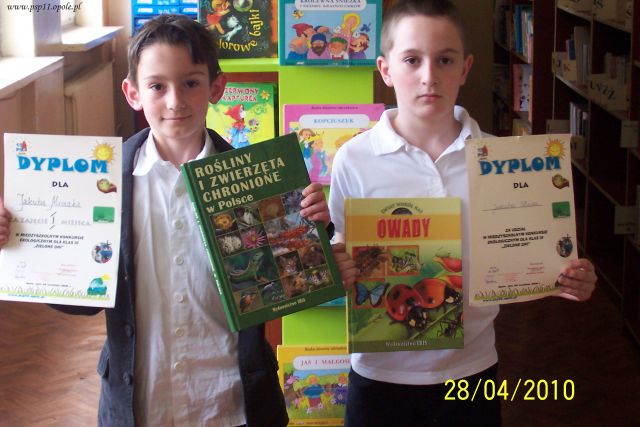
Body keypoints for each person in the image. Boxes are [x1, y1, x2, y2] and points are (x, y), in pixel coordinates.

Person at [0, 14, 356, 427]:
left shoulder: (261, 183)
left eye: (190, 83)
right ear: (133, 93)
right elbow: (78, 300)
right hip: (142, 404)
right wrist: (24, 242)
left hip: (231, 403)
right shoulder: (101, 185)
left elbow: (289, 283)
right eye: (157, 86)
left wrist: (313, 232)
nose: (175, 101)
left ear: (216, 88)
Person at [327, 1, 598, 426]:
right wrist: (335, 267)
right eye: (412, 60)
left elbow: (532, 250)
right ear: (385, 69)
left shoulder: (504, 160)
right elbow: (341, 250)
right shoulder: (354, 159)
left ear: (466, 68)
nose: (429, 76)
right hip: (380, 373)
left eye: (445, 60)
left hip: (471, 371)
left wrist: (568, 276)